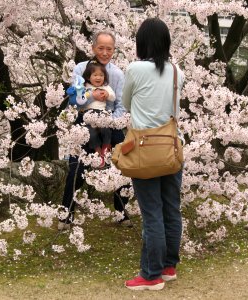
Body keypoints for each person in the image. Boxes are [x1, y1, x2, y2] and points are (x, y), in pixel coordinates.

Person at [122, 18, 185, 291]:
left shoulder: (135, 69)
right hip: (171, 148)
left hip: (145, 150)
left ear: (141, 42)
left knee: (152, 213)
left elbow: (126, 103)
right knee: (171, 209)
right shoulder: (176, 71)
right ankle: (169, 267)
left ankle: (151, 275)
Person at [58, 31, 131, 230]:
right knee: (76, 167)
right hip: (84, 121)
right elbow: (74, 100)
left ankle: (121, 212)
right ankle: (66, 213)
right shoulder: (81, 68)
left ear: (114, 50)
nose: (105, 52)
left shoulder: (117, 74)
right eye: (101, 48)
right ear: (92, 48)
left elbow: (121, 105)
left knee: (123, 164)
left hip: (109, 122)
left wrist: (109, 122)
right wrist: (92, 99)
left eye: (109, 49)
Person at [81, 60, 116, 167]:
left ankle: (106, 146)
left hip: (102, 113)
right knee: (91, 134)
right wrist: (90, 94)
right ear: (88, 77)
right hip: (89, 114)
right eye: (95, 75)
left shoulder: (106, 87)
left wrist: (107, 94)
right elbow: (80, 100)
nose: (98, 77)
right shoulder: (85, 87)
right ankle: (97, 151)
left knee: (106, 130)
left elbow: (113, 97)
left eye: (101, 75)